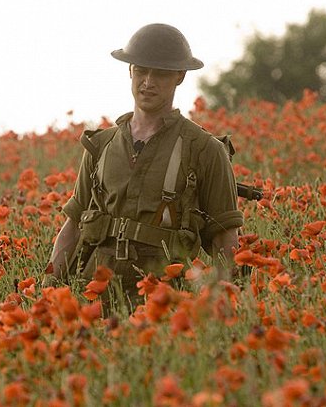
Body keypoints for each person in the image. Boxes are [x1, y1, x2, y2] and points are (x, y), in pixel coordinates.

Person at [49, 23, 243, 306]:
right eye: (141, 70)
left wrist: (225, 307)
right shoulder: (100, 146)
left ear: (180, 76)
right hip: (94, 294)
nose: (148, 82)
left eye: (160, 73)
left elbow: (225, 241)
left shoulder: (205, 150)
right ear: (130, 71)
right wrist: (46, 290)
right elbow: (73, 227)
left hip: (165, 300)